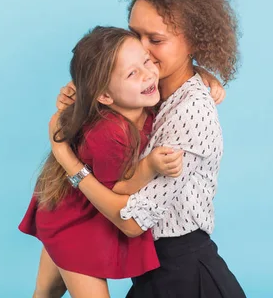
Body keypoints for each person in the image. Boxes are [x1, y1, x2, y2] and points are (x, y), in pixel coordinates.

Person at [50, 0, 247, 297]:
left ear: (195, 40)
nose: (141, 49)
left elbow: (130, 221)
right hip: (151, 273)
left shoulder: (191, 112)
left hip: (185, 279)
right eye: (134, 34)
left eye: (155, 39)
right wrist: (84, 91)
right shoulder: (149, 92)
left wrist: (68, 161)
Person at [18, 26, 185, 298]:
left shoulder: (141, 99)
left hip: (75, 213)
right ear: (105, 96)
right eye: (133, 73)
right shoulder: (110, 133)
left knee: (45, 292)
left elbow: (178, 75)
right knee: (48, 292)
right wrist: (150, 166)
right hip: (76, 225)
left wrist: (207, 79)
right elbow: (118, 189)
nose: (149, 74)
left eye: (146, 60)